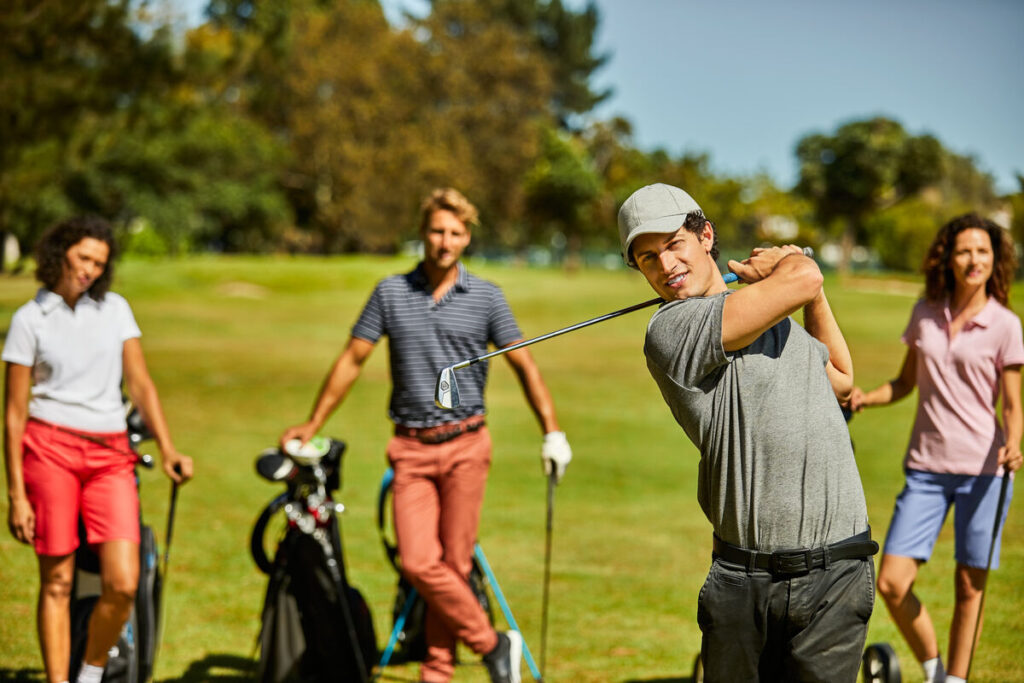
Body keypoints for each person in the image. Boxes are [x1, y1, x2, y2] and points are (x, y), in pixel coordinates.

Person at [280, 187, 572, 683]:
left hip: (467, 446)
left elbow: (525, 365)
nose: (445, 241)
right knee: (418, 563)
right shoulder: (390, 293)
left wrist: (552, 432)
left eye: (455, 233)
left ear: (467, 237)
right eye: (437, 231)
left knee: (453, 566)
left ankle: (437, 671)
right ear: (423, 232)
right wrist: (313, 423)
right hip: (410, 448)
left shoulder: (487, 297)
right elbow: (352, 359)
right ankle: (493, 644)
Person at [617, 183, 877, 682]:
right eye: (648, 258)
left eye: (674, 244)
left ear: (705, 236)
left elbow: (842, 382)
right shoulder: (670, 330)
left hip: (837, 573)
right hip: (745, 581)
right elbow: (802, 276)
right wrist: (792, 263)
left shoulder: (774, 315)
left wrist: (813, 291)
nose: (666, 265)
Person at [3, 216, 194, 683]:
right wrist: (17, 495)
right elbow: (14, 414)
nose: (89, 269)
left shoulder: (115, 310)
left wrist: (168, 447)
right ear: (61, 252)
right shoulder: (30, 320)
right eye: (83, 257)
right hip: (49, 451)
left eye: (99, 263)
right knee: (58, 581)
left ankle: (90, 673)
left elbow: (140, 384)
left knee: (124, 583)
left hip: (110, 456)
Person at [848, 214, 1022, 683]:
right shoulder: (925, 312)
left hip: (985, 472)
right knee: (891, 582)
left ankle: (955, 682)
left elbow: (1012, 404)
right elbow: (906, 382)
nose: (974, 260)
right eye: (964, 251)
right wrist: (867, 396)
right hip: (926, 469)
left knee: (970, 586)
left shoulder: (1005, 325)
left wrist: (1014, 444)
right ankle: (935, 671)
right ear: (948, 257)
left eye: (983, 251)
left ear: (995, 260)